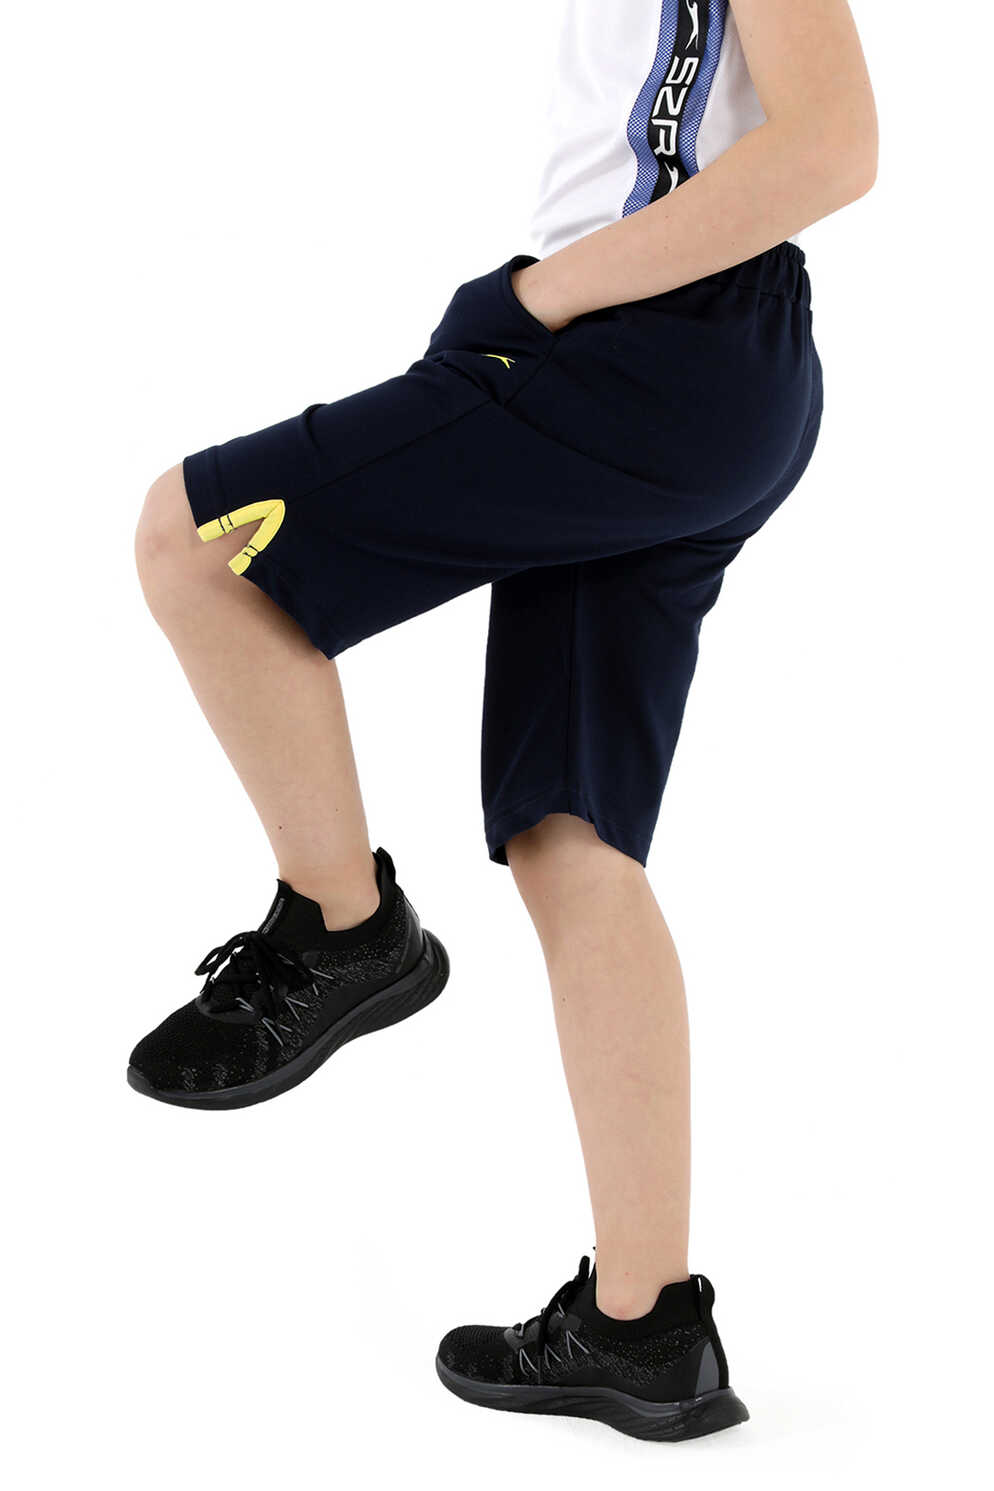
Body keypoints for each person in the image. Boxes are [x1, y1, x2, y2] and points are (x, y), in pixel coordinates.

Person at [127, 0, 876, 1442]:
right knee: (567, 834)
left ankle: (344, 928)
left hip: (644, 357)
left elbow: (833, 145)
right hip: (687, 369)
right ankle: (643, 1327)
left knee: (195, 540)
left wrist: (537, 302)